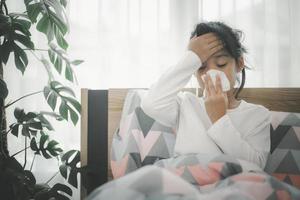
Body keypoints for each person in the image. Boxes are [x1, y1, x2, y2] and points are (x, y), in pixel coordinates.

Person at [140, 21, 272, 170]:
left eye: (221, 64)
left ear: (239, 63)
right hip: (185, 182)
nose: (211, 73)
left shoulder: (257, 115)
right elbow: (150, 104)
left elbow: (255, 167)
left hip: (231, 187)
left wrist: (219, 119)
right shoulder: (186, 104)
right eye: (201, 67)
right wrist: (191, 58)